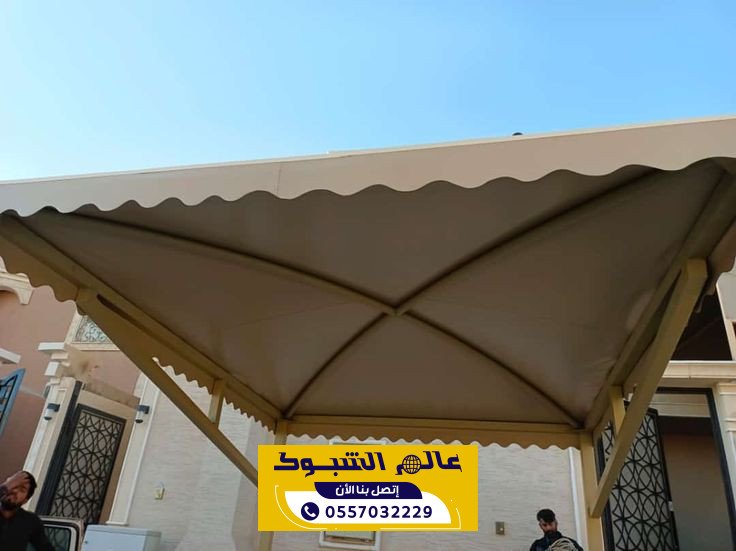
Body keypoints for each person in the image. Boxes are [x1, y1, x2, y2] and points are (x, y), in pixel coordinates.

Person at [0, 470, 54, 551]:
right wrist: (7, 486)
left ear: (26, 500)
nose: (14, 490)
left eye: (22, 490)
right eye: (13, 485)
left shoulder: (31, 521)